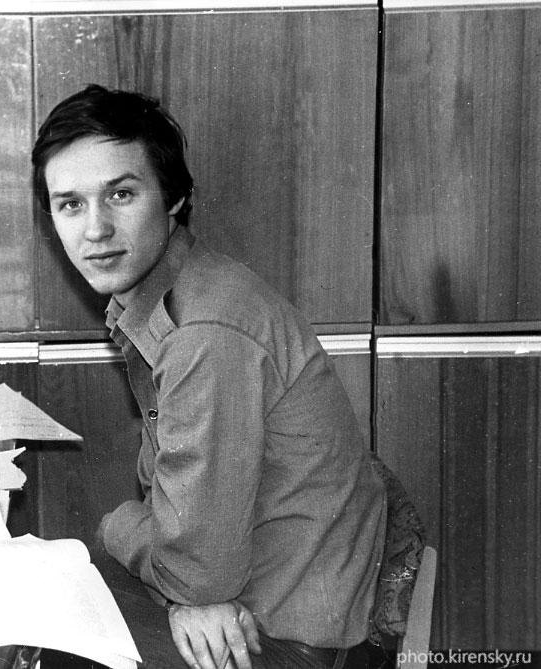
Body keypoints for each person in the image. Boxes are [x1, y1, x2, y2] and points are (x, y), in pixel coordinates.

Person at [32, 84, 387, 669]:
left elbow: (197, 574)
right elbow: (178, 525)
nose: (95, 229)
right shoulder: (178, 295)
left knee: (37, 637)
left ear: (174, 198)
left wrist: (118, 526)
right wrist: (181, 575)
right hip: (257, 603)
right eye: (70, 204)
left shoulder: (203, 331)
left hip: (275, 639)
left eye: (120, 194)